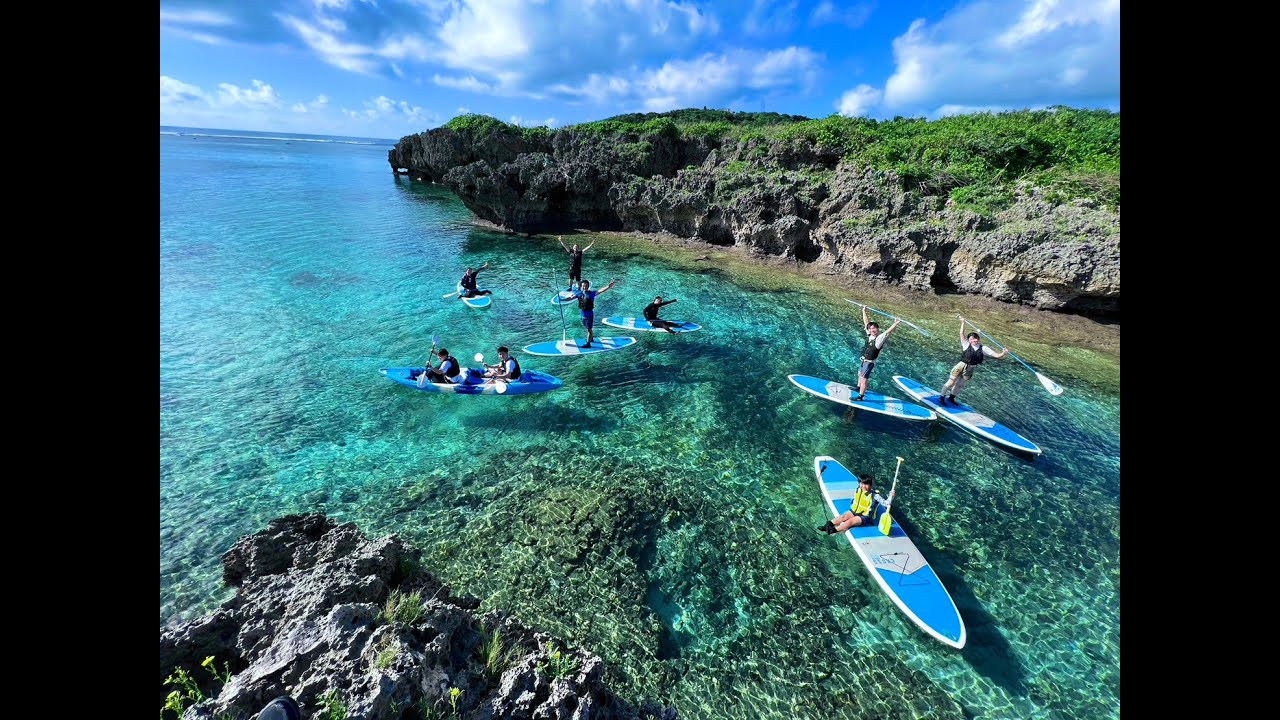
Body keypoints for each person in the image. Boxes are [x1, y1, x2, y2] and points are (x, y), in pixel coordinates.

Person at [938, 317, 1007, 405]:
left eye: (975, 338)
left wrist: (1003, 353)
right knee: (951, 382)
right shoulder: (965, 344)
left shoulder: (984, 348)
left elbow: (997, 355)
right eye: (971, 339)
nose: (974, 340)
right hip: (960, 365)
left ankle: (951, 398)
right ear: (969, 340)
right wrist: (963, 323)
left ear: (978, 339)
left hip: (970, 368)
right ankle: (941, 398)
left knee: (959, 385)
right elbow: (961, 333)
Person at [853, 306, 901, 401]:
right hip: (863, 360)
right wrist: (864, 311)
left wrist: (896, 323)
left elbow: (888, 332)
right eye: (870, 329)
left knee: (864, 379)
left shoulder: (879, 339)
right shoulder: (869, 335)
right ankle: (858, 388)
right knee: (860, 374)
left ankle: (860, 396)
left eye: (874, 329)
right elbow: (866, 322)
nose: (872, 330)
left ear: (877, 329)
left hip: (869, 362)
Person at [818, 474, 894, 534]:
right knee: (843, 517)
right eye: (861, 483)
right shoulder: (858, 489)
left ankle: (833, 530)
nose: (863, 486)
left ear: (870, 485)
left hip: (864, 516)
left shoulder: (875, 495)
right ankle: (827, 526)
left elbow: (886, 504)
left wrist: (891, 496)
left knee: (850, 522)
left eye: (866, 484)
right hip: (854, 510)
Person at [571, 278, 617, 346]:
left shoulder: (591, 294)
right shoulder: (579, 294)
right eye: (583, 286)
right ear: (581, 286)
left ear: (588, 286)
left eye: (586, 286)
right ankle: (591, 338)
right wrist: (562, 300)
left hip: (589, 315)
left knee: (589, 329)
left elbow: (600, 291)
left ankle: (588, 344)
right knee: (587, 328)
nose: (584, 287)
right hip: (583, 314)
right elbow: (571, 298)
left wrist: (608, 286)